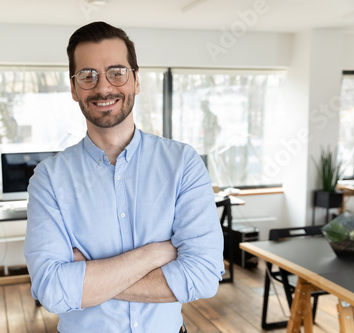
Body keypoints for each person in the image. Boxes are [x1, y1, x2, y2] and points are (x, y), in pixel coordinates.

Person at [24, 21, 224, 333]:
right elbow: (52, 290)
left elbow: (203, 276)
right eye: (88, 76)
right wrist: (154, 254)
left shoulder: (183, 163)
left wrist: (85, 277)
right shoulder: (49, 178)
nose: (103, 87)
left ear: (136, 81)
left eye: (116, 72)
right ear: (74, 88)